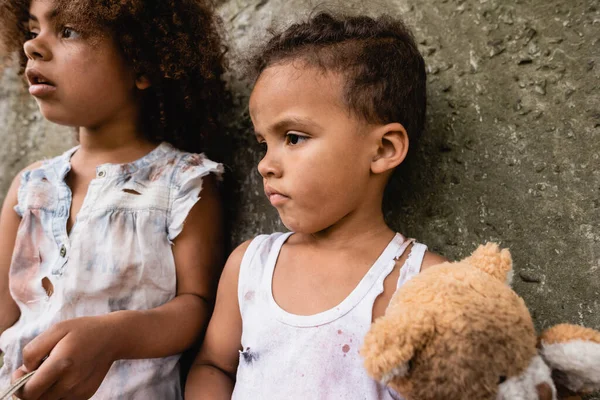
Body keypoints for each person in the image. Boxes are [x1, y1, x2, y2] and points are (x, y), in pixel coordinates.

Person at [185, 11, 447, 399]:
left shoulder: (422, 285)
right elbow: (213, 365)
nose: (265, 165)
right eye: (264, 143)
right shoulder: (250, 266)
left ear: (383, 149)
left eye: (293, 137)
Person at [0, 0, 227, 398]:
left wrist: (113, 336)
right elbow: (4, 314)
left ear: (142, 62)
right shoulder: (29, 185)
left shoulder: (184, 183)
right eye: (32, 30)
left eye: (67, 31)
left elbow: (196, 307)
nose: (32, 47)